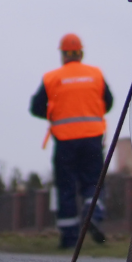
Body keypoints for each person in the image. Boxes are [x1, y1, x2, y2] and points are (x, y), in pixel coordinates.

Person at [30, 33, 113, 248]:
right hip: (92, 138)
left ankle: (68, 239)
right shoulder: (96, 75)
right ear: (81, 53)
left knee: (65, 188)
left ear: (62, 55)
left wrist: (55, 113)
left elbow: (36, 107)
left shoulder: (52, 78)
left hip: (65, 141)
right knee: (93, 182)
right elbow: (109, 103)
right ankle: (92, 213)